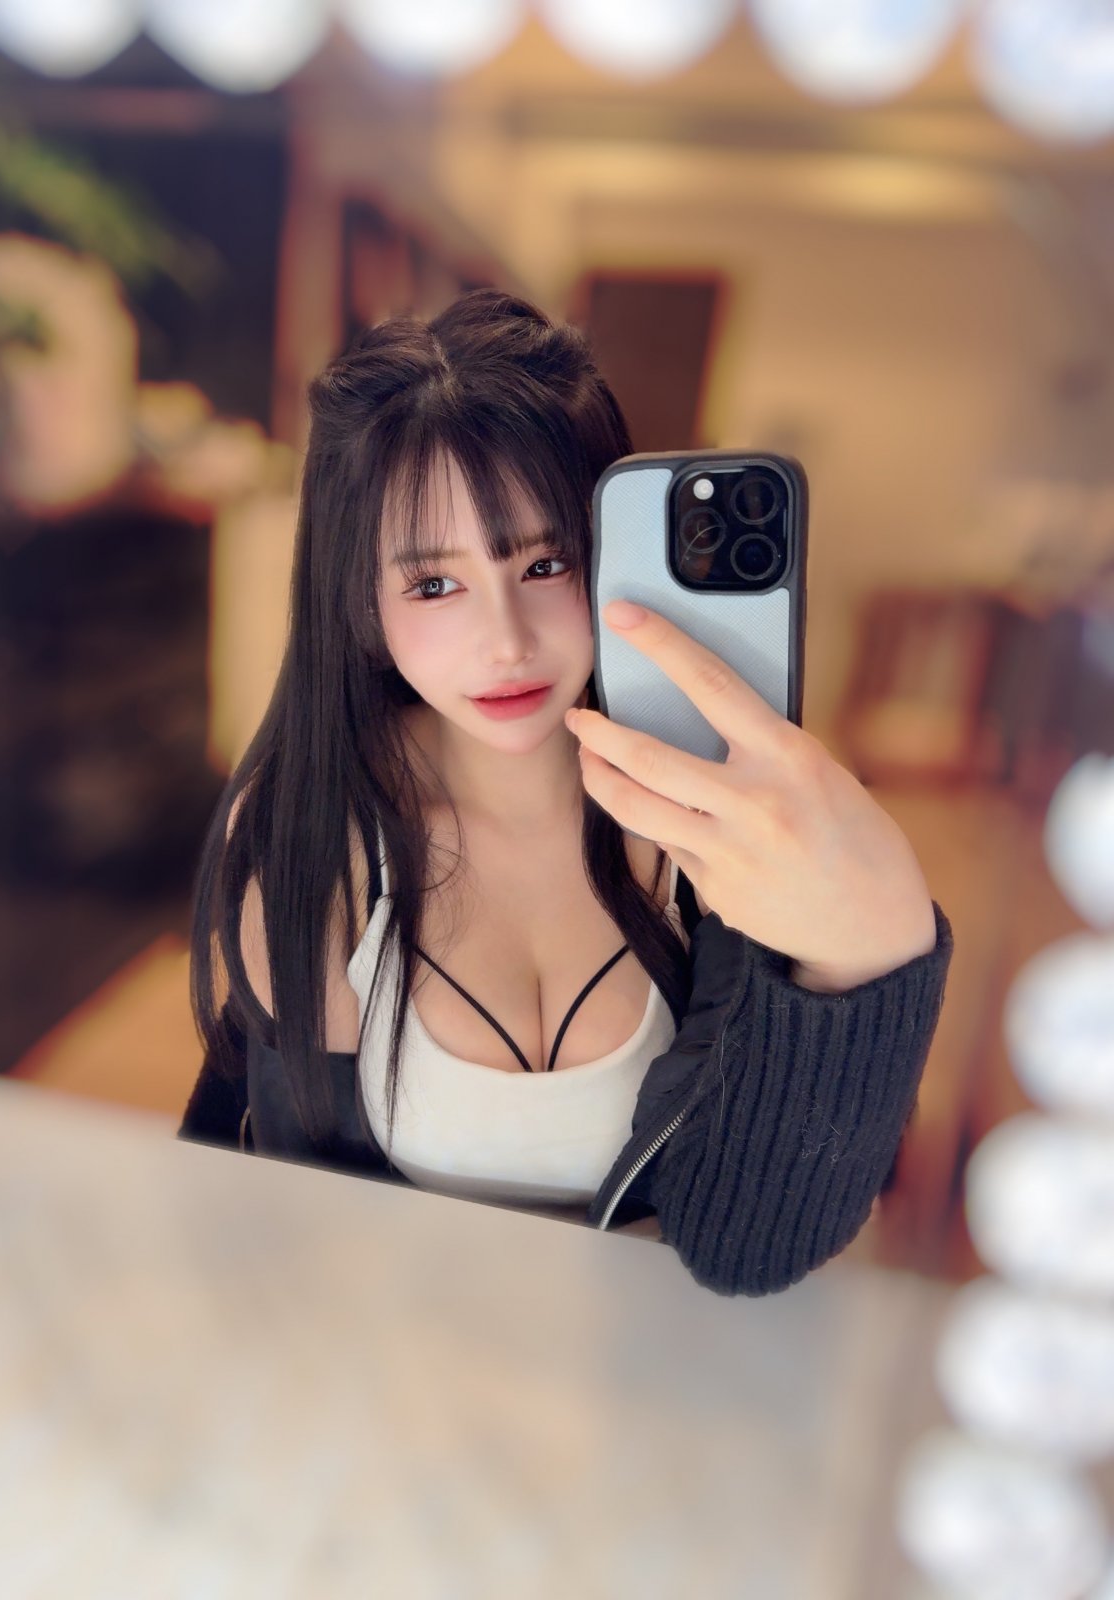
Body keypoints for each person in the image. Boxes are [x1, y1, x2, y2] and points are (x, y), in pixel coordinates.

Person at [180, 287, 953, 1297]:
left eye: (545, 563)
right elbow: (300, 1239)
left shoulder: (719, 828)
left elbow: (758, 1243)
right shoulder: (320, 838)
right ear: (359, 599)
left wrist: (873, 956)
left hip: (661, 1373)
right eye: (434, 584)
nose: (505, 642)